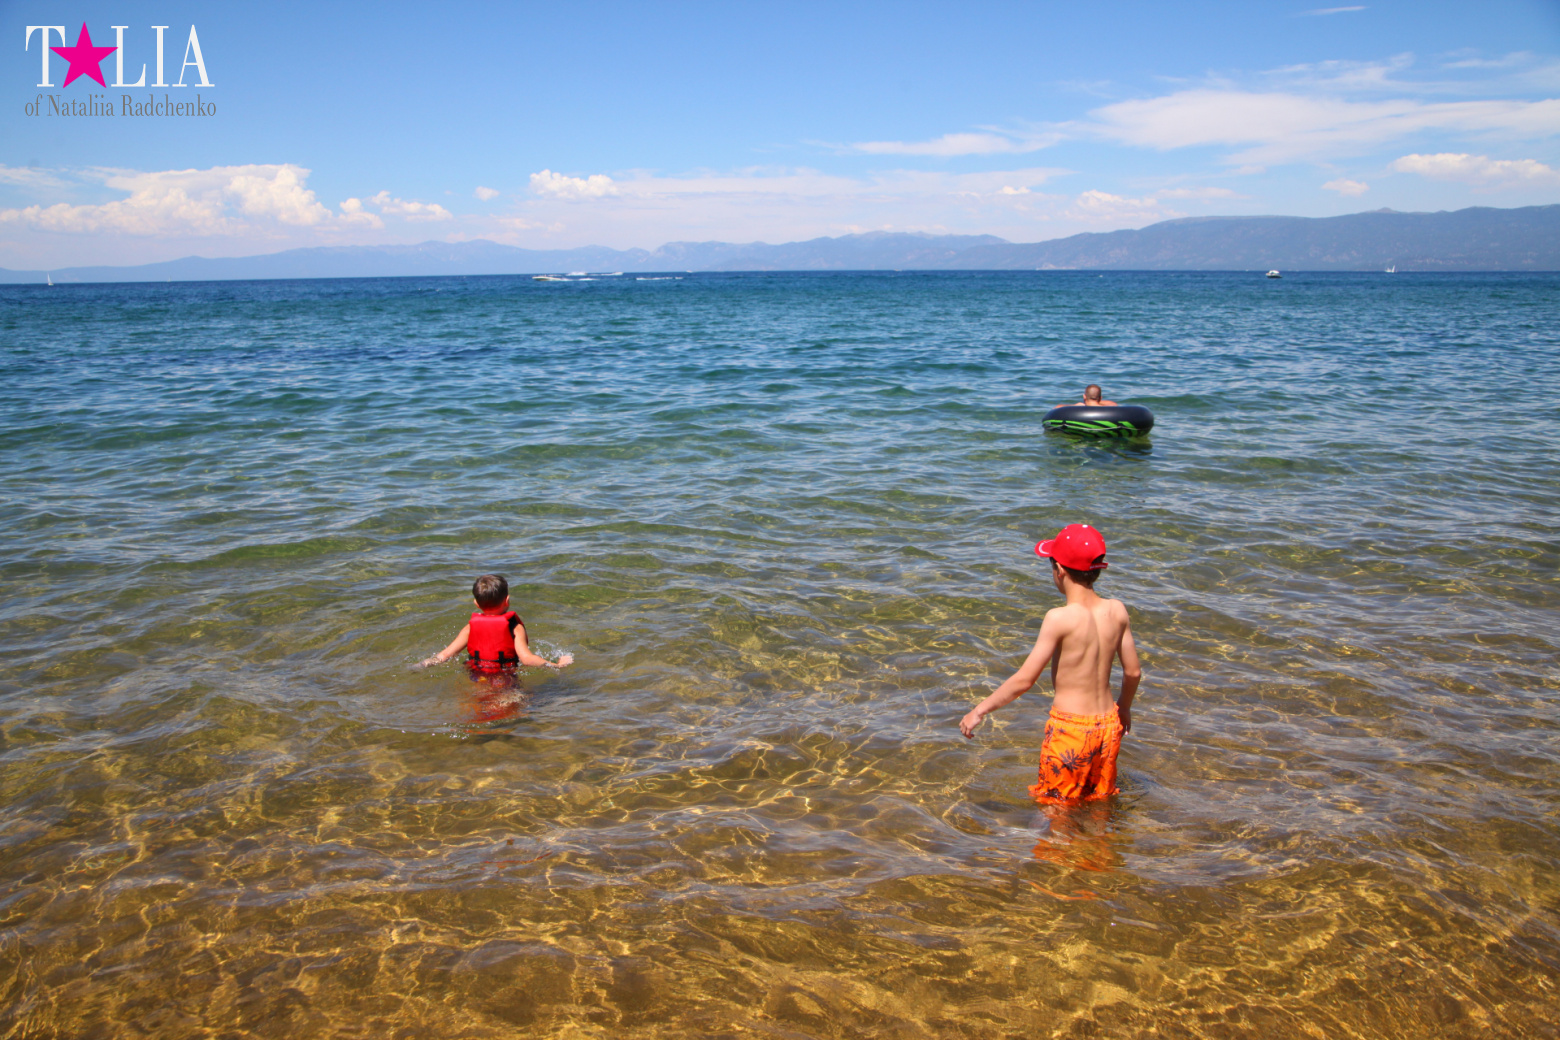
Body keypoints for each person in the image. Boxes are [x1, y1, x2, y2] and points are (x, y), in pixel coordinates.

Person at [959, 524, 1141, 803]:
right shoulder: (1116, 609)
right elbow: (1133, 671)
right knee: (1099, 802)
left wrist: (979, 711)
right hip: (1108, 726)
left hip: (1071, 730)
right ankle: (1100, 846)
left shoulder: (1059, 618)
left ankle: (1056, 847)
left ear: (1060, 570)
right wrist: (1124, 708)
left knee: (1056, 808)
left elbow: (1024, 680)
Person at [419, 573, 574, 674]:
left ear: (476, 604)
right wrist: (556, 665)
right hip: (504, 678)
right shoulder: (514, 627)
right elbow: (527, 659)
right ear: (507, 600)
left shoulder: (470, 627)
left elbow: (445, 655)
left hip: (476, 675)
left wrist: (421, 665)